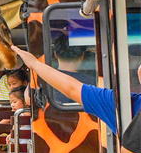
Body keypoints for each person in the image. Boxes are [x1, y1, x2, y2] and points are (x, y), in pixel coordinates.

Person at [12, 45, 141, 131]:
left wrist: (34, 64)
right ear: (82, 56)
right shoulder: (94, 82)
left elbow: (71, 88)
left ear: (56, 54)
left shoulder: (120, 102)